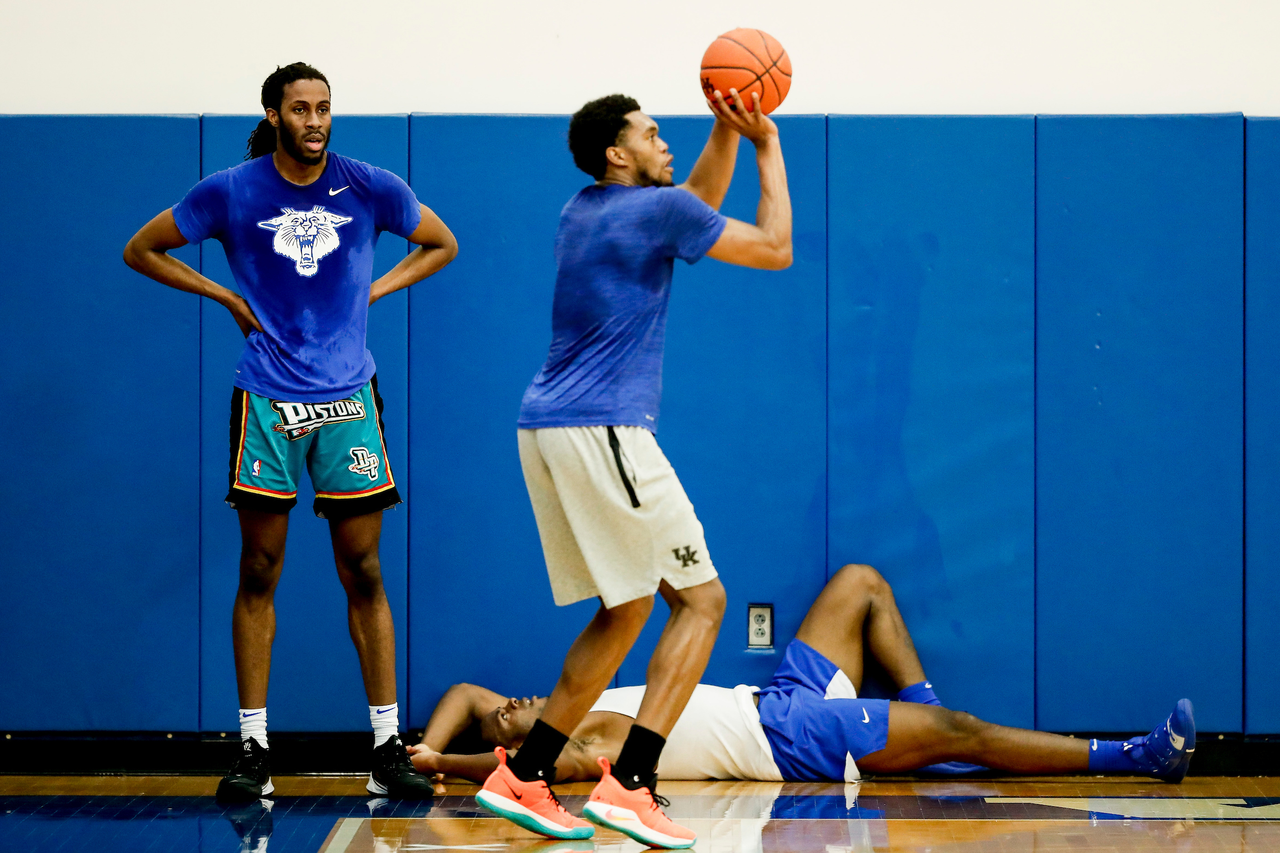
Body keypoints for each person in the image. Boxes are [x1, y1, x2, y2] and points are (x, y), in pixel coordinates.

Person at [123, 62, 457, 802]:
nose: (314, 121)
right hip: (268, 402)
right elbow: (141, 248)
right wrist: (223, 297)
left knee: (364, 570)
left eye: (324, 109)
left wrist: (377, 287)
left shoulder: (368, 184)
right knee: (259, 571)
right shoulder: (233, 191)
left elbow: (442, 242)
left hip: (348, 402)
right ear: (274, 115)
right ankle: (252, 748)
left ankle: (384, 746)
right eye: (300, 109)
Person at [476, 88, 793, 849]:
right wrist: (765, 144)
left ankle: (526, 772)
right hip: (605, 429)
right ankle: (633, 784)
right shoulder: (654, 212)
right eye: (653, 135)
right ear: (618, 152)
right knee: (703, 601)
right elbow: (774, 248)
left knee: (624, 610)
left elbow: (689, 207)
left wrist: (722, 125)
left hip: (545, 427)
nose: (666, 144)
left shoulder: (583, 208)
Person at [410, 564, 1195, 790]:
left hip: (780, 699)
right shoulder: (585, 738)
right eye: (507, 718)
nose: (509, 703)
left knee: (860, 583)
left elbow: (464, 697)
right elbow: (563, 762)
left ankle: (926, 737)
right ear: (518, 750)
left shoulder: (559, 705)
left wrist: (432, 742)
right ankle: (1132, 756)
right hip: (787, 739)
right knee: (967, 733)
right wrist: (451, 765)